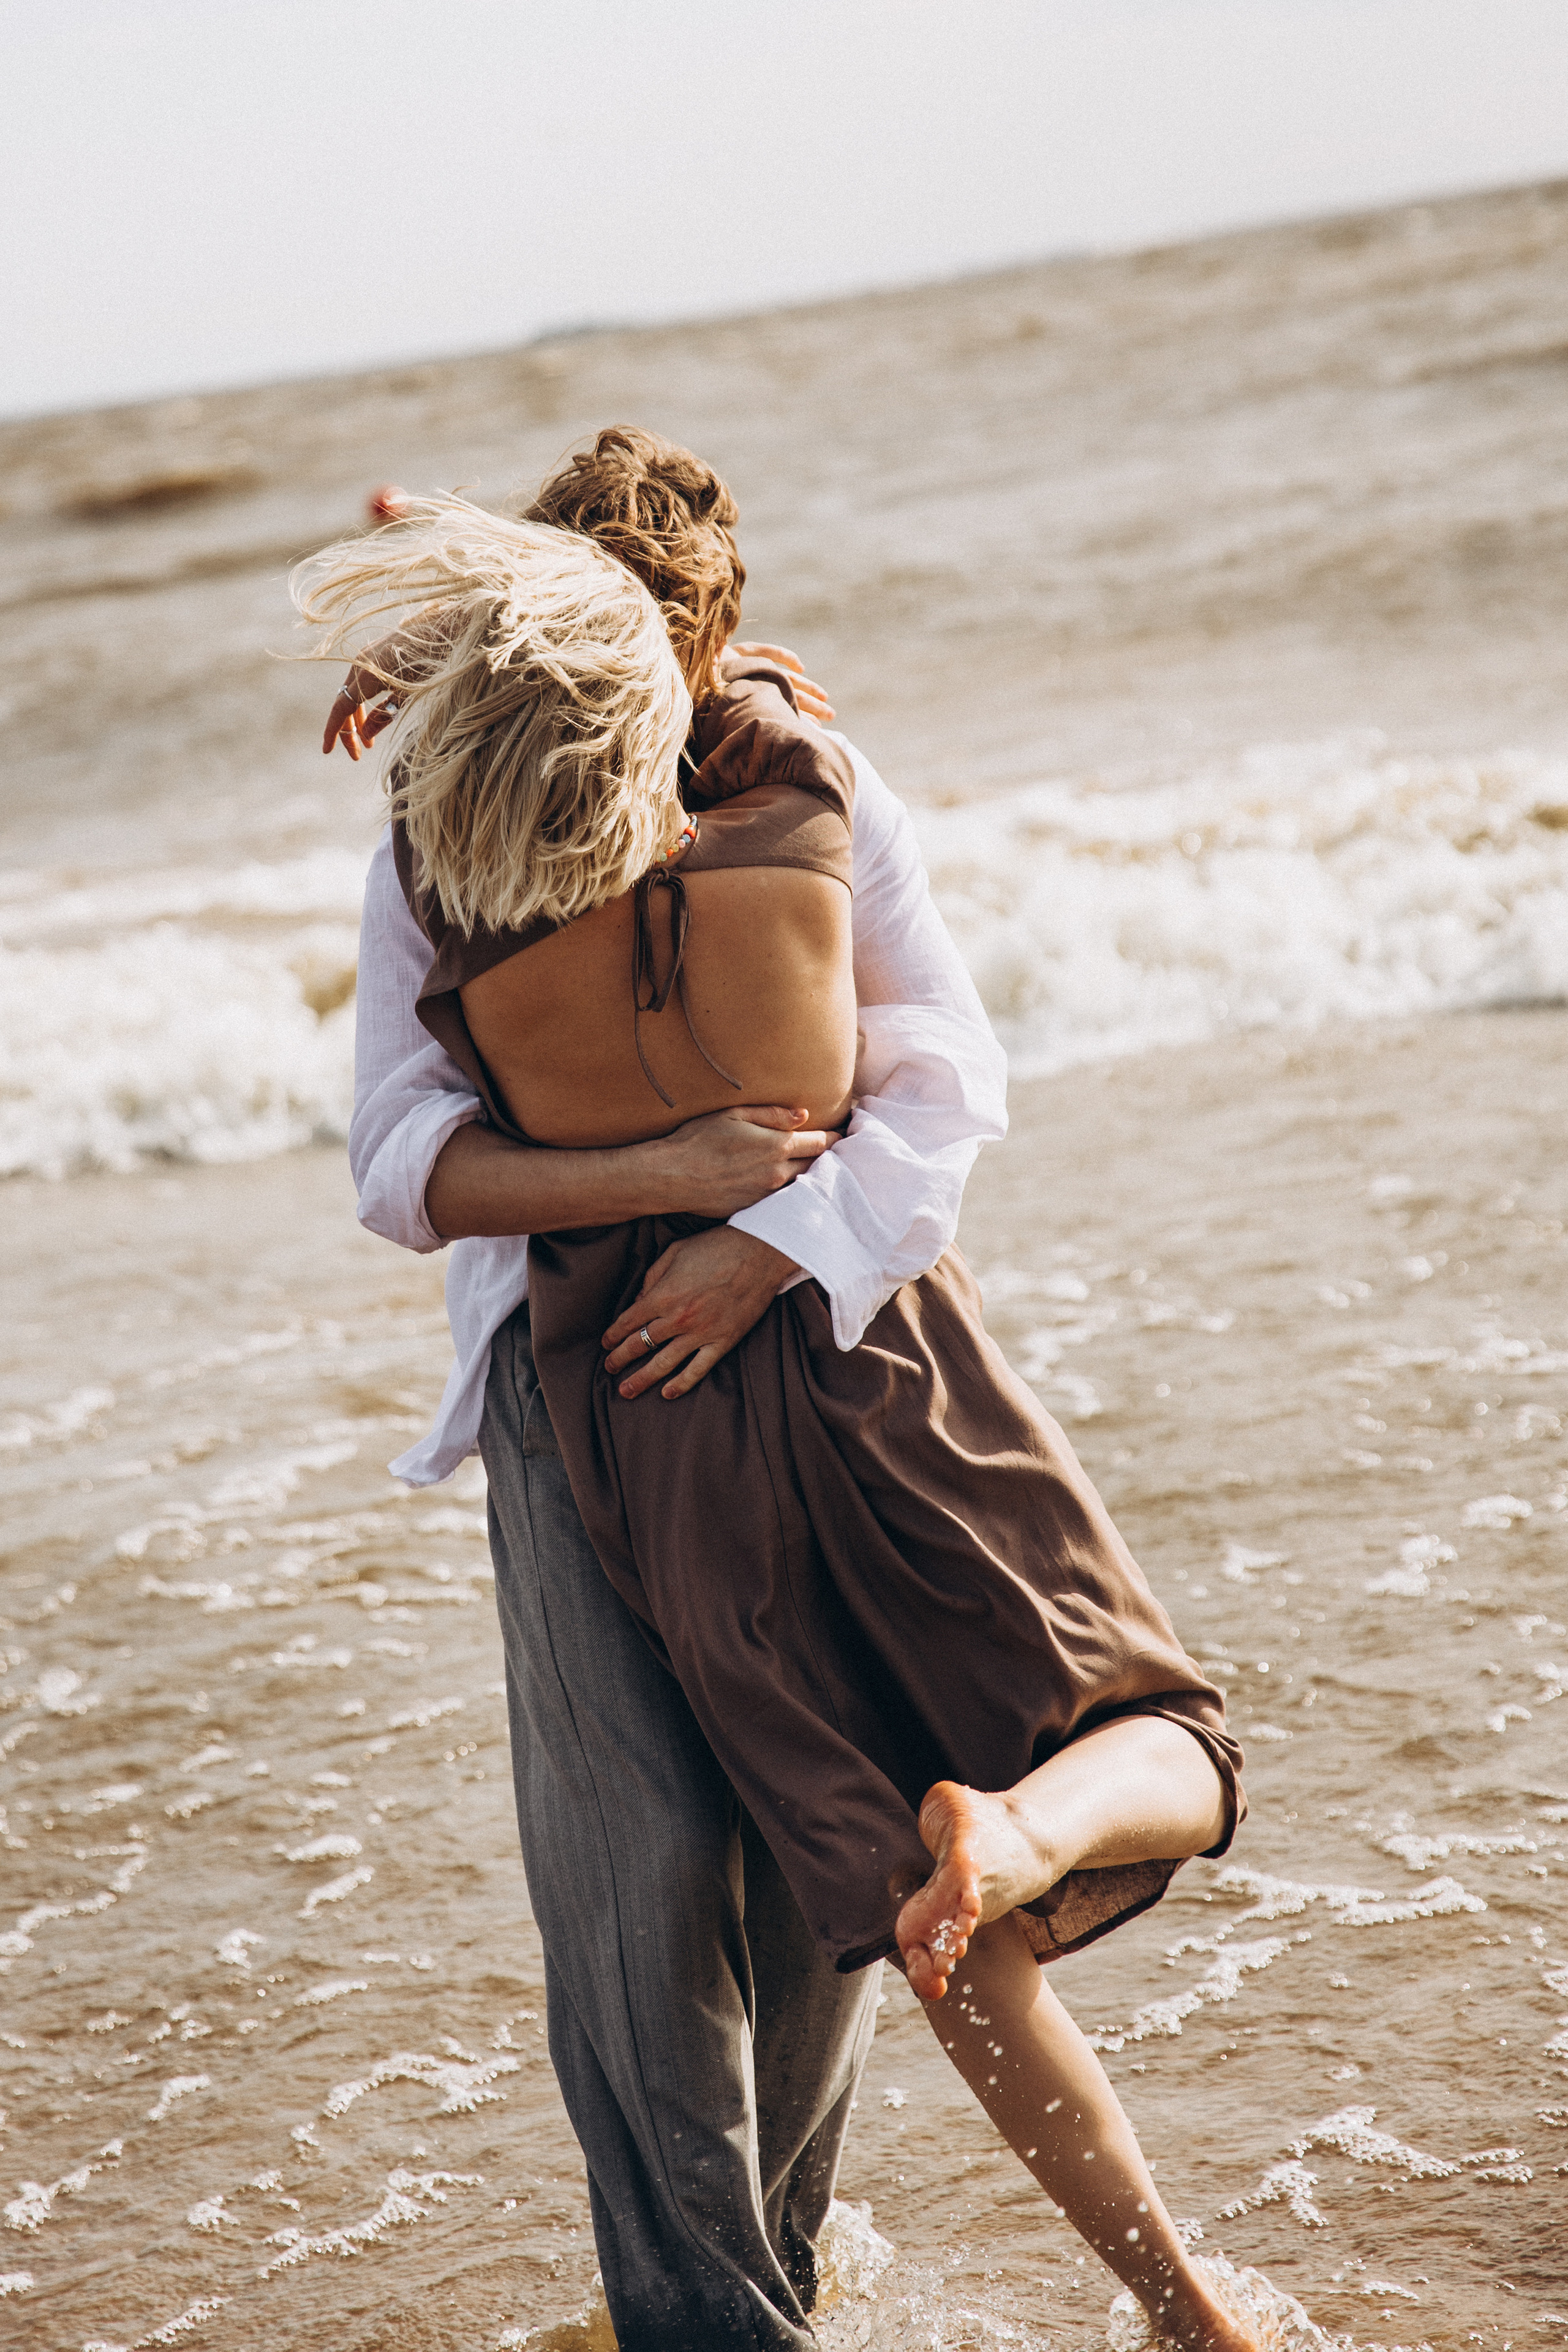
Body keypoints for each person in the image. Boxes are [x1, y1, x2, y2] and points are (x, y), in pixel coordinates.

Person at [314, 430, 1254, 2352]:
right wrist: (653, 1187)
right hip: (566, 1392)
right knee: (638, 1879)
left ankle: (782, 2283)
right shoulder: (450, 820)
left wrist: (770, 1250)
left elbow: (944, 1084)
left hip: (811, 1338)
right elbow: (399, 1166)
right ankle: (700, 2322)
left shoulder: (805, 778)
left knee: (806, 1849)